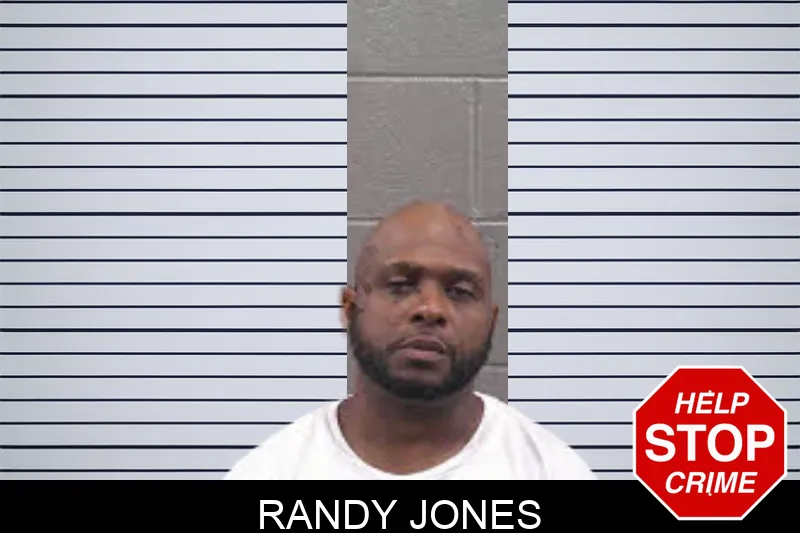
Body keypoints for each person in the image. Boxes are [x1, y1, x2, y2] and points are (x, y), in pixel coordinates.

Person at [225, 201, 595, 480]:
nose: (430, 309)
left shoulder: (550, 470)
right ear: (350, 309)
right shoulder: (271, 472)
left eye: (460, 291)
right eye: (401, 286)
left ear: (491, 322)